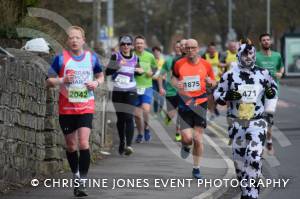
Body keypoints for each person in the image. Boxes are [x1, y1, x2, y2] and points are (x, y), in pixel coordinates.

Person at [214, 39, 278, 199]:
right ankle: (245, 192)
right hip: (236, 123)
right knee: (240, 162)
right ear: (238, 55)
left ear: (254, 54)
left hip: (257, 122)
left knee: (254, 157)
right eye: (244, 53)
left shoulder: (263, 73)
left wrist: (270, 96)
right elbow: (217, 94)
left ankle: (253, 193)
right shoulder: (229, 75)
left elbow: (273, 90)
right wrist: (226, 96)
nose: (248, 56)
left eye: (250, 53)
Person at [46, 26, 104, 197]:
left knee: (84, 143)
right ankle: (76, 175)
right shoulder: (60, 58)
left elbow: (100, 75)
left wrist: (96, 83)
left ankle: (82, 181)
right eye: (71, 38)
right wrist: (62, 79)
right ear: (67, 41)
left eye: (77, 37)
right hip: (66, 108)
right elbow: (48, 81)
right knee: (71, 146)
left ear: (83, 40)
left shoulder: (91, 58)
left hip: (86, 106)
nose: (74, 40)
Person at [172, 39, 216, 179]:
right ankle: (185, 146)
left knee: (198, 139)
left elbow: (214, 81)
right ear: (184, 49)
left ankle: (196, 168)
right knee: (187, 138)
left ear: (198, 49)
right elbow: (173, 78)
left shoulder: (206, 64)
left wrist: (211, 82)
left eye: (193, 48)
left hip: (200, 103)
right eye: (188, 48)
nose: (190, 50)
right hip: (185, 104)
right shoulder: (179, 63)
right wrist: (176, 84)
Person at [106, 35, 143, 156]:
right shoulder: (116, 56)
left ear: (131, 46)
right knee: (121, 119)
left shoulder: (136, 58)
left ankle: (129, 145)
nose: (126, 46)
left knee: (129, 116)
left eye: (128, 44)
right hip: (117, 91)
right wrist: (117, 65)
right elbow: (107, 72)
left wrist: (140, 72)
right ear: (120, 45)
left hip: (131, 90)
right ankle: (122, 141)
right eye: (123, 44)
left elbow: (137, 73)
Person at [256, 33, 284, 153]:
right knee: (258, 117)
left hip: (273, 90)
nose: (266, 42)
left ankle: (268, 139)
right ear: (260, 43)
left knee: (268, 114)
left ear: (271, 42)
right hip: (258, 91)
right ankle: (264, 140)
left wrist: (280, 73)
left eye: (268, 40)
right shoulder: (256, 56)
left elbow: (281, 67)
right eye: (264, 40)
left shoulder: (277, 55)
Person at [134, 35, 157, 143]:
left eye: (141, 43)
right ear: (134, 44)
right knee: (137, 115)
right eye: (137, 43)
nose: (139, 45)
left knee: (146, 109)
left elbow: (155, 67)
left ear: (144, 44)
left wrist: (151, 73)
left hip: (147, 86)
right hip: (134, 88)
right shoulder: (131, 55)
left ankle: (147, 128)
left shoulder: (150, 56)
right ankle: (140, 133)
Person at [158, 40, 182, 142]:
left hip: (183, 91)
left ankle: (178, 132)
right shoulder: (168, 60)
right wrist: (160, 88)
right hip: (171, 91)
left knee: (181, 113)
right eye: (177, 47)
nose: (179, 48)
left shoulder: (186, 60)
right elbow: (160, 75)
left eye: (180, 47)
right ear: (174, 48)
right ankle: (168, 117)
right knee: (171, 114)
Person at [202, 42, 222, 119]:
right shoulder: (204, 56)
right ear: (208, 49)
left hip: (217, 80)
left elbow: (224, 64)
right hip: (208, 81)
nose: (212, 50)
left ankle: (213, 109)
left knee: (216, 97)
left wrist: (222, 68)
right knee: (209, 97)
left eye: (213, 49)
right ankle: (210, 111)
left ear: (215, 49)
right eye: (210, 49)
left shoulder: (219, 55)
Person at [152, 46, 165, 116]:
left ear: (160, 52)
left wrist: (165, 75)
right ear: (153, 53)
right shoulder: (152, 61)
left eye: (158, 52)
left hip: (162, 81)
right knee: (156, 97)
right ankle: (155, 112)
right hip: (154, 81)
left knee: (162, 97)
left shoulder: (163, 61)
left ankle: (160, 110)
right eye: (155, 52)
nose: (156, 53)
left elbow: (166, 71)